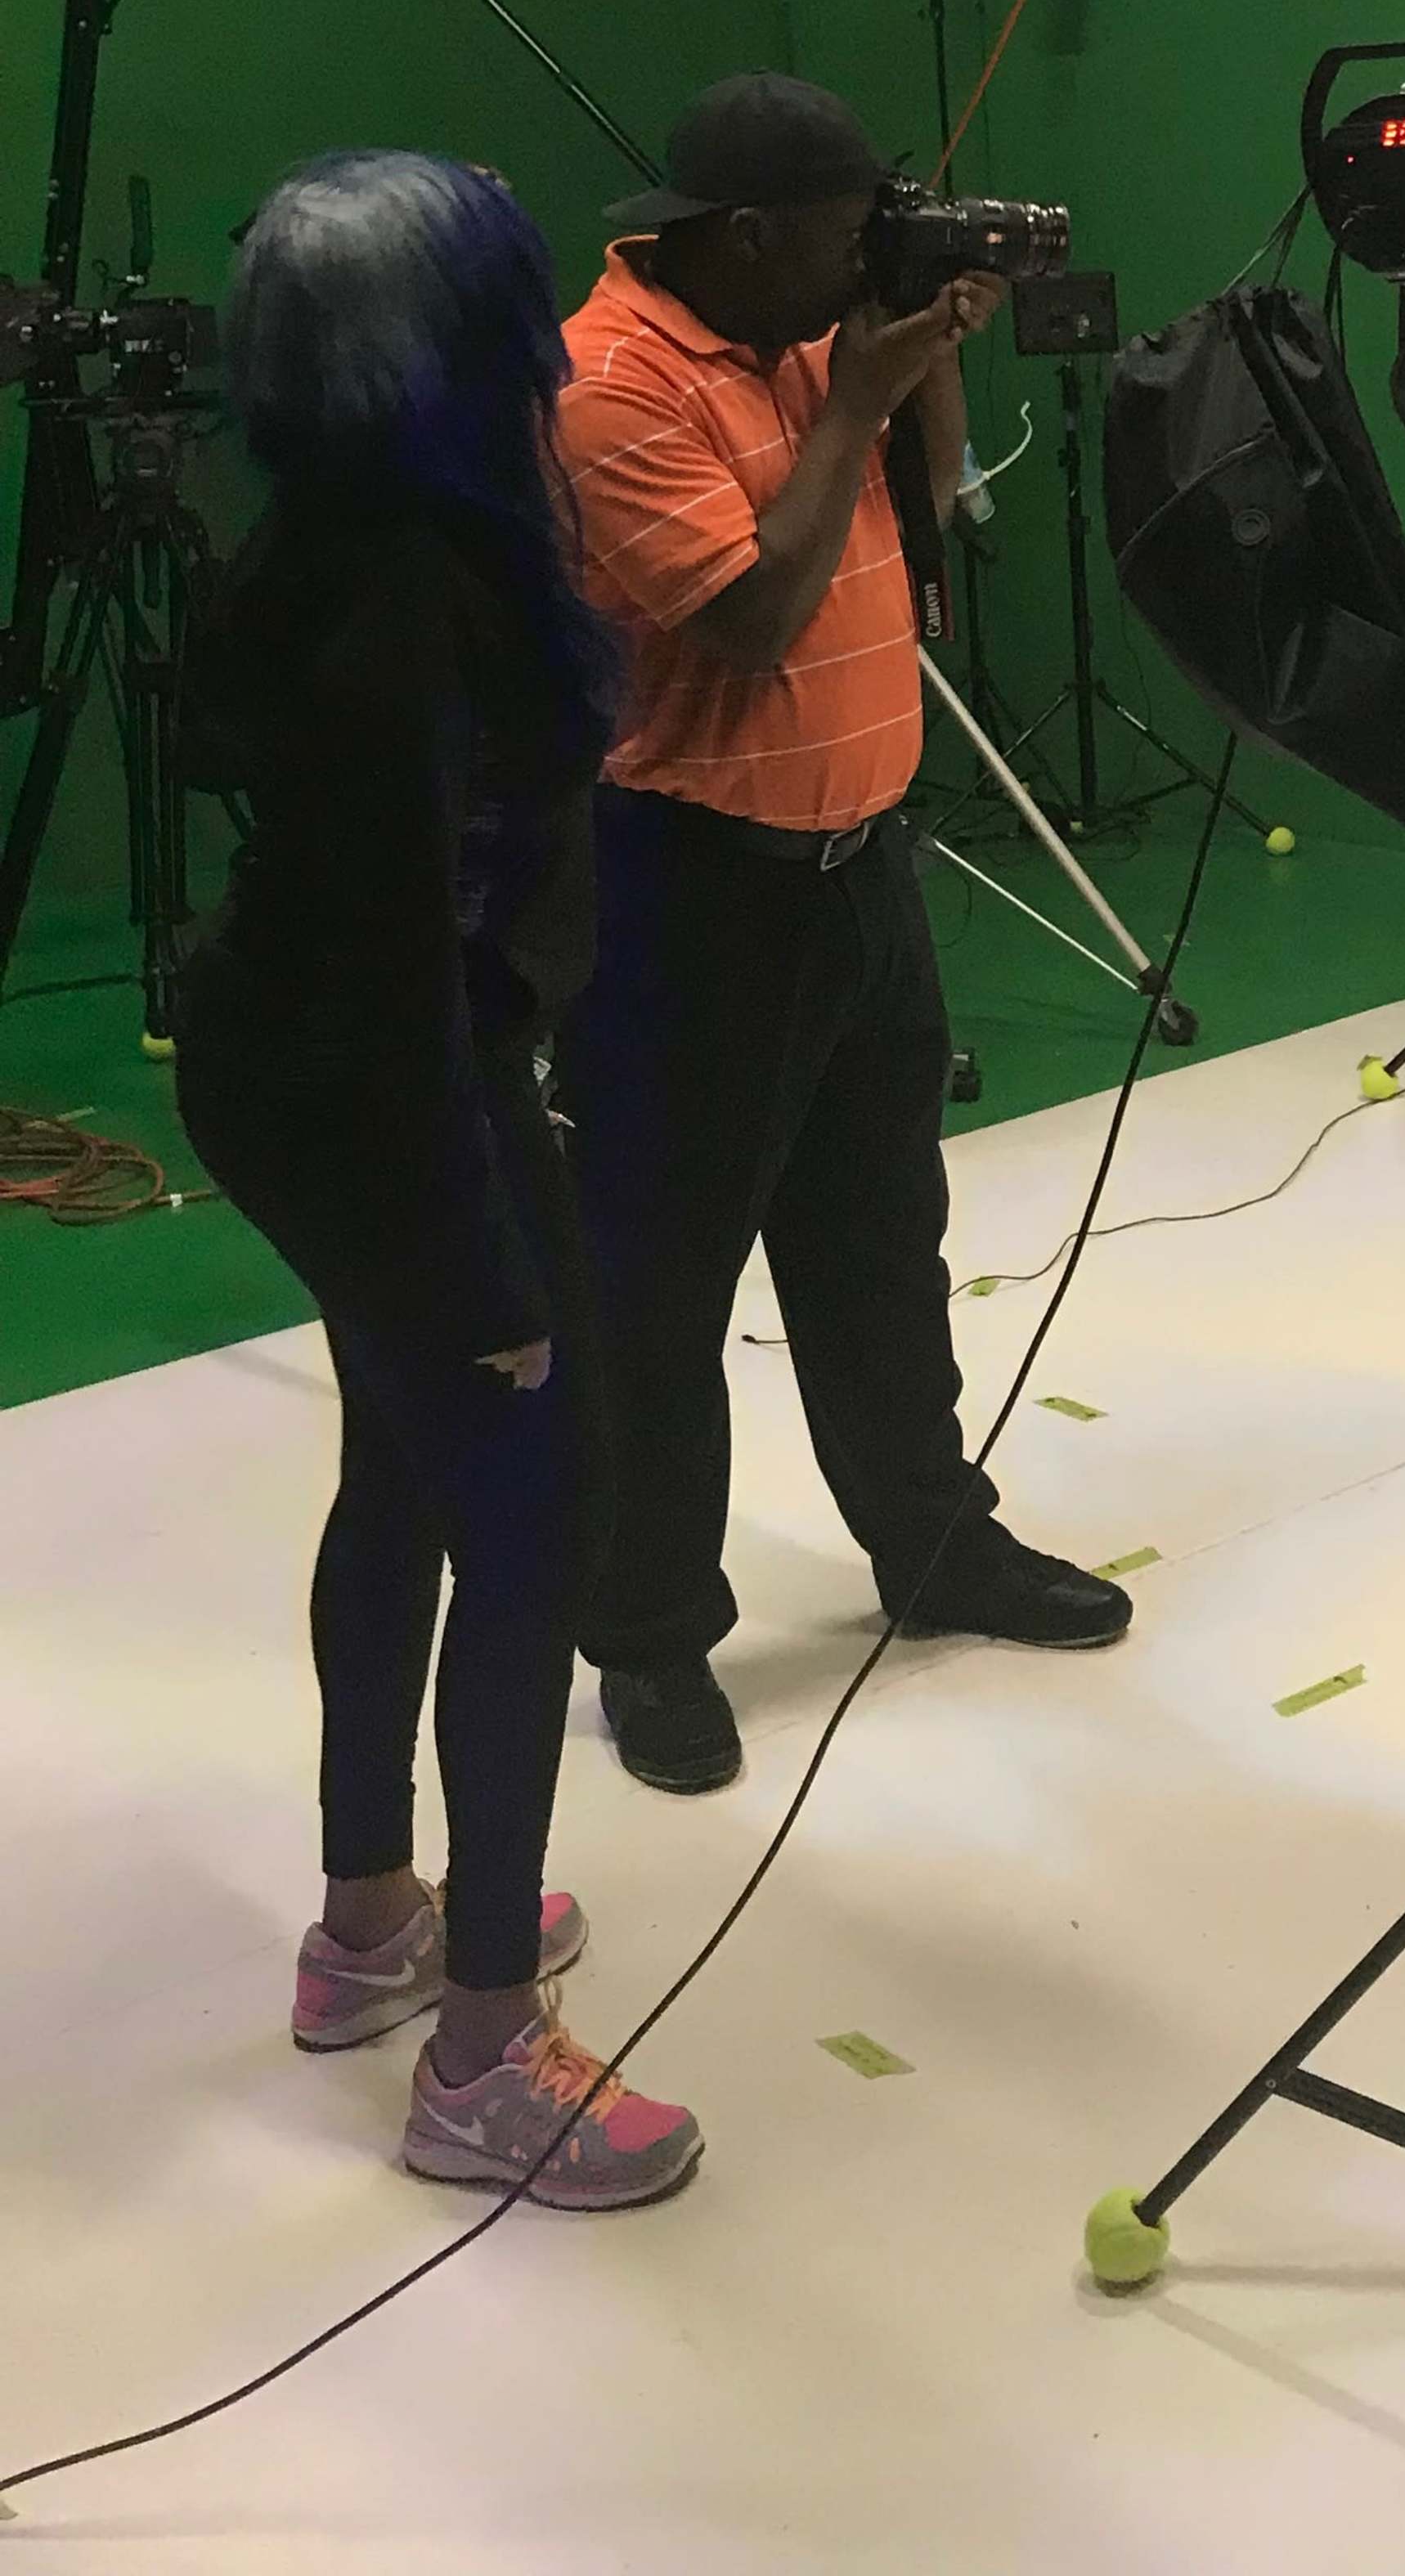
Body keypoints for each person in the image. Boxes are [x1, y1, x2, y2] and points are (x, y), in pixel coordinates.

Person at [176, 152, 702, 2209]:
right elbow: (401, 977)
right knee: (536, 1513)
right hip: (390, 1090)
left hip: (314, 1070)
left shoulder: (342, 539)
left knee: (401, 1470)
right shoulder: (403, 605)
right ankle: (485, 2052)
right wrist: (482, 1276)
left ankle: (370, 1917)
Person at [550, 74, 1132, 1799]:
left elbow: (935, 490)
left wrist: (917, 353)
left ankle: (933, 1545)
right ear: (742, 237)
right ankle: (650, 1635)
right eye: (843, 234)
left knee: (882, 1241)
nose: (862, 257)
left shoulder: (809, 326)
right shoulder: (609, 381)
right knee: (660, 1287)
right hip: (692, 890)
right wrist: (855, 389)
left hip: (861, 865)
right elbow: (747, 617)